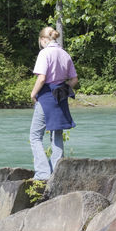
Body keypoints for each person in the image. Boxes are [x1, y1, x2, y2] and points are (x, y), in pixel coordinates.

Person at [29, 26, 78, 181]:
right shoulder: (65, 54)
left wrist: (33, 93)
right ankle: (57, 174)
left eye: (40, 42)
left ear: (43, 39)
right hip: (61, 97)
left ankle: (42, 174)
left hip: (46, 97)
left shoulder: (44, 53)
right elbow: (74, 79)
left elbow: (42, 78)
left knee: (35, 136)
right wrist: (64, 88)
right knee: (57, 135)